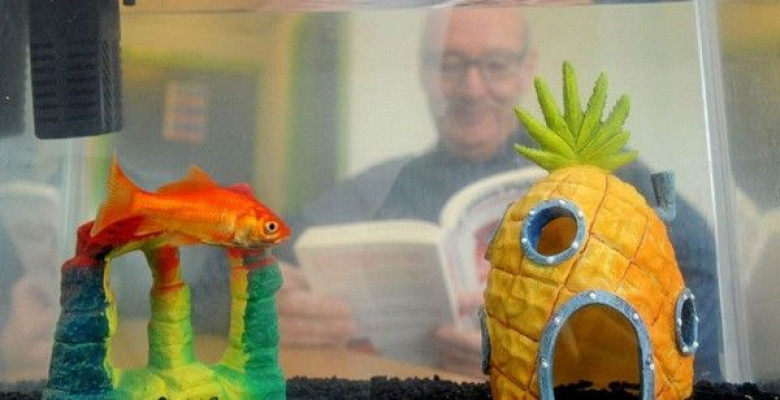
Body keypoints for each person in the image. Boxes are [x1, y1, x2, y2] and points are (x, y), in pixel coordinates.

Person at [276, 6, 723, 381]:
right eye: (450, 64)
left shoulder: (600, 173)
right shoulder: (380, 187)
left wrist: (572, 360)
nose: (472, 88)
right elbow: (255, 256)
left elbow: (702, 269)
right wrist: (264, 302)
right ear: (425, 72)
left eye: (495, 64)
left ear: (527, 69)